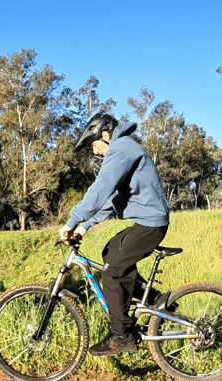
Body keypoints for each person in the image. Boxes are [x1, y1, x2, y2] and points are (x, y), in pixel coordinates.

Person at [59, 113, 170, 357]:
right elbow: (112, 199)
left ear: (106, 135)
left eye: (94, 144)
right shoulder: (123, 149)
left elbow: (100, 190)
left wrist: (72, 220)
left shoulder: (121, 149)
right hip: (148, 222)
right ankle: (157, 300)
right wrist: (84, 225)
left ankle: (122, 335)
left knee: (111, 272)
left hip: (150, 224)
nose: (94, 151)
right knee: (111, 251)